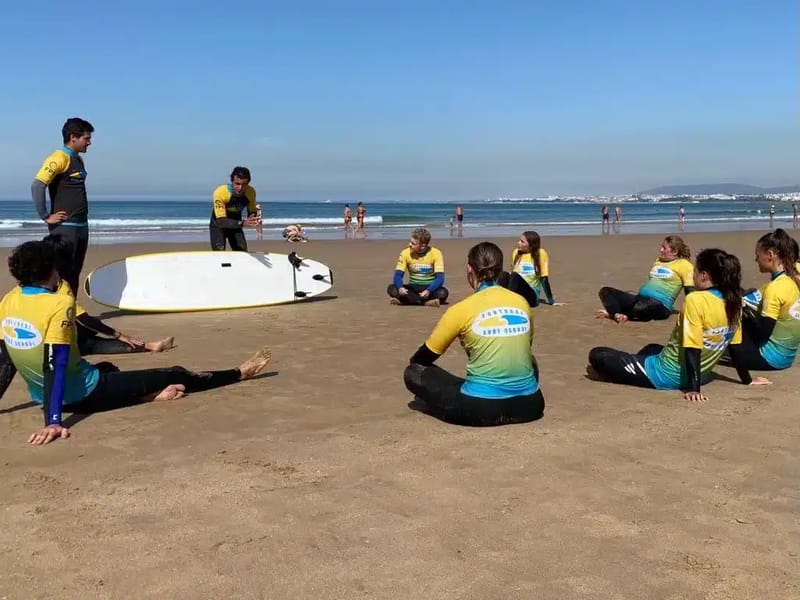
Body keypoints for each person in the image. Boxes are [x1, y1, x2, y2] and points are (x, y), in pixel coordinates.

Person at [0, 241, 272, 446]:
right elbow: (54, 363)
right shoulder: (59, 302)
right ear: (51, 270)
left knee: (108, 367)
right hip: (78, 396)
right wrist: (54, 423)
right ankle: (238, 373)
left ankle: (147, 395)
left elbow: (4, 356)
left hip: (44, 397)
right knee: (175, 373)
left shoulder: (10, 299)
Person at [588, 249, 771, 401]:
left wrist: (694, 389)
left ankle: (634, 372)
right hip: (702, 372)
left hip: (665, 376)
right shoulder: (734, 302)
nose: (692, 276)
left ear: (705, 275)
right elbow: (735, 347)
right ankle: (639, 366)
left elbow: (693, 347)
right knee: (652, 348)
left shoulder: (696, 299)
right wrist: (747, 380)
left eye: (696, 271)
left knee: (598, 355)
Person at [403, 241, 544, 426]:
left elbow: (422, 359)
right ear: (501, 270)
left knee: (413, 372)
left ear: (469, 269)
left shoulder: (461, 309)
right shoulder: (521, 302)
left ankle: (480, 390)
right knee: (529, 358)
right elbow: (527, 349)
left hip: (480, 409)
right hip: (531, 405)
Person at [31, 117, 95, 296]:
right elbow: (38, 185)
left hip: (81, 226)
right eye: (86, 138)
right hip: (65, 228)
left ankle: (70, 312)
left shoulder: (79, 160)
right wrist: (45, 215)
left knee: (74, 273)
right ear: (73, 137)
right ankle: (56, 313)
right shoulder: (59, 157)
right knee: (61, 273)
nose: (89, 142)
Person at [737, 229, 800, 370]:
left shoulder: (776, 288)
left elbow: (763, 333)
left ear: (770, 255)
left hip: (768, 358)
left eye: (757, 256)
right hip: (786, 357)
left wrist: (744, 310)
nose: (756, 260)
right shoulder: (792, 277)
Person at [596, 235, 694, 323]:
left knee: (642, 307)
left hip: (660, 306)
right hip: (640, 299)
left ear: (674, 252)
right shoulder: (658, 261)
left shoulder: (685, 265)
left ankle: (620, 314)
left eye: (664, 248)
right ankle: (616, 315)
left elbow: (690, 292)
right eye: (661, 247)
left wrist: (692, 312)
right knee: (605, 291)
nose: (660, 250)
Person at [387, 228, 449, 307]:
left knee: (443, 293)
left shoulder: (436, 253)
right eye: (410, 242)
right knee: (392, 289)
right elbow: (398, 275)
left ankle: (406, 301)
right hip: (412, 287)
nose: (409, 244)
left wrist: (428, 291)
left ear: (423, 246)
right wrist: (400, 288)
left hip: (429, 287)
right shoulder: (405, 253)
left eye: (413, 243)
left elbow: (440, 278)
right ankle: (426, 303)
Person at [506, 231, 564, 307]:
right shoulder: (515, 253)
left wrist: (551, 301)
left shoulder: (541, 253)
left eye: (522, 242)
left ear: (531, 245)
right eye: (519, 240)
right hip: (517, 294)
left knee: (514, 276)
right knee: (504, 275)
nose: (518, 243)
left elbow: (544, 279)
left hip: (532, 297)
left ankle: (507, 302)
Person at [209, 166, 259, 251]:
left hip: (236, 224)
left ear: (248, 183)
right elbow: (221, 221)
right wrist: (242, 223)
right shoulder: (220, 192)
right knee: (219, 252)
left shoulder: (250, 192)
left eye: (244, 184)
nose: (240, 188)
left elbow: (252, 211)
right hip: (219, 224)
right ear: (232, 181)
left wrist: (253, 218)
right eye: (237, 184)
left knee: (242, 252)